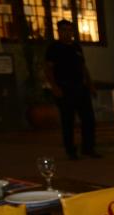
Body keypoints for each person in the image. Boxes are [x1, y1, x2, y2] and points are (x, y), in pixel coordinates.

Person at [45, 20, 98, 160]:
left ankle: (88, 148)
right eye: (64, 30)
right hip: (64, 88)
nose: (67, 33)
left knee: (88, 119)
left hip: (80, 87)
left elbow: (83, 67)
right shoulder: (54, 48)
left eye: (69, 30)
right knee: (68, 120)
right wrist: (55, 87)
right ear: (59, 31)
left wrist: (90, 84)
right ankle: (71, 151)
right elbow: (48, 69)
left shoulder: (76, 47)